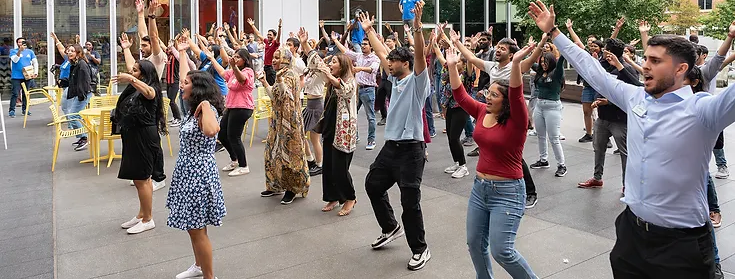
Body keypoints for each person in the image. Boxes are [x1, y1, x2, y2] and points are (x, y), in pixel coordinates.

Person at [529, 1, 732, 277]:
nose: (644, 67)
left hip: (682, 245)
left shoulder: (704, 110)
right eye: (646, 59)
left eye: (655, 61)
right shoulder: (636, 97)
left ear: (681, 69)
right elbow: (593, 71)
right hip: (630, 236)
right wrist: (553, 31)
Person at [449, 37, 538, 278]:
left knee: (502, 251)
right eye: (488, 92)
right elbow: (460, 97)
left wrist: (518, 65)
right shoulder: (481, 111)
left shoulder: (516, 121)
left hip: (508, 191)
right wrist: (451, 66)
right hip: (480, 189)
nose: (488, 97)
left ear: (505, 101)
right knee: (475, 244)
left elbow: (518, 94)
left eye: (494, 95)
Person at [361, 3, 432, 270]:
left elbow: (421, 58)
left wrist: (416, 25)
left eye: (393, 61)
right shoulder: (395, 79)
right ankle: (391, 227)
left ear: (406, 63)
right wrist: (369, 32)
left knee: (409, 201)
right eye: (387, 61)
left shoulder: (417, 82)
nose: (387, 63)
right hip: (391, 148)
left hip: (412, 150)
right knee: (373, 185)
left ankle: (420, 249)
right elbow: (381, 51)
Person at [168, 38, 226, 279]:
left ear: (198, 88)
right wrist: (182, 54)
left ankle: (209, 276)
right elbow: (185, 76)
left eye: (187, 84)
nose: (182, 85)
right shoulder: (193, 107)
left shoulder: (206, 109)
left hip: (199, 174)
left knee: (197, 229)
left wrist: (204, 104)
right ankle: (199, 266)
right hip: (187, 171)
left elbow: (213, 132)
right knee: (193, 228)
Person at [112, 59, 167, 235]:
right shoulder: (135, 87)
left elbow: (150, 94)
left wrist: (131, 79)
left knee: (143, 178)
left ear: (143, 74)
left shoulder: (150, 88)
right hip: (133, 135)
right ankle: (141, 214)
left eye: (135, 71)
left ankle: (148, 219)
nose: (131, 72)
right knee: (138, 178)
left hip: (144, 136)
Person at [576, 39, 635, 190]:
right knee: (598, 147)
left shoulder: (626, 70)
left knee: (625, 153)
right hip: (602, 118)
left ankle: (627, 185)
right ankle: (597, 178)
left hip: (620, 120)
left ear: (611, 52)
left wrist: (608, 102)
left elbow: (630, 94)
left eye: (606, 50)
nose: (603, 52)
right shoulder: (603, 65)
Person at [257, 47, 310, 205]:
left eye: (277, 57)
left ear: (286, 59)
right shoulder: (281, 74)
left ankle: (292, 188)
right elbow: (275, 96)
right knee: (272, 152)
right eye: (273, 57)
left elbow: (287, 97)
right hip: (277, 120)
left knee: (290, 155)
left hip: (290, 122)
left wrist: (279, 81)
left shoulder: (291, 74)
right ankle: (275, 185)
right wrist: (265, 81)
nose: (273, 60)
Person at [311, 46, 359, 216]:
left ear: (343, 65)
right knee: (329, 166)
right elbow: (316, 64)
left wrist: (329, 75)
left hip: (344, 131)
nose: (330, 64)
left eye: (334, 62)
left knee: (340, 167)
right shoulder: (332, 79)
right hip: (330, 126)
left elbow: (345, 90)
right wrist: (305, 45)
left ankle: (350, 197)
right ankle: (333, 196)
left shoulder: (350, 81)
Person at [120, 32, 167, 191]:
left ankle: (158, 177)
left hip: (149, 125)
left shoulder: (157, 61)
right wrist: (126, 49)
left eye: (145, 45)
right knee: (140, 153)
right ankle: (143, 175)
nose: (142, 48)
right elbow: (131, 67)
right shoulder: (139, 73)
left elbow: (150, 93)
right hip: (137, 126)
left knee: (153, 150)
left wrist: (150, 17)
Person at [208, 48, 255, 177]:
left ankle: (243, 165)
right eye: (234, 56)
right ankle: (234, 159)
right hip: (232, 107)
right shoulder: (232, 72)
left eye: (238, 57)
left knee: (234, 137)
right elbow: (222, 72)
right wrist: (212, 59)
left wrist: (234, 67)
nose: (235, 58)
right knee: (222, 134)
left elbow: (242, 80)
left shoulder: (248, 71)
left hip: (242, 108)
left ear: (245, 59)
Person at [526, 34, 567, 177]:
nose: (543, 63)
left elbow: (561, 60)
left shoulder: (556, 73)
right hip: (540, 106)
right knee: (541, 136)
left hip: (553, 107)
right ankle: (543, 160)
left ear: (551, 61)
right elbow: (530, 61)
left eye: (545, 61)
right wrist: (531, 49)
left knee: (554, 138)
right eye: (542, 61)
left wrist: (561, 41)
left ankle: (562, 165)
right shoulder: (540, 71)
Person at [431, 32, 471, 179]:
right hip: (449, 107)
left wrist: (466, 45)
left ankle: (463, 166)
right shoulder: (449, 70)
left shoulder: (466, 75)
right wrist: (435, 41)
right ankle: (457, 162)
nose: (456, 62)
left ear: (464, 64)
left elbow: (470, 60)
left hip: (461, 108)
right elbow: (440, 55)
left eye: (459, 61)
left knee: (454, 137)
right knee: (450, 137)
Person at [332, 35, 380, 150]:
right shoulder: (359, 56)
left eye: (365, 44)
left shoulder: (375, 58)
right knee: (352, 113)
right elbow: (346, 52)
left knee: (371, 117)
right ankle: (355, 136)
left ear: (371, 46)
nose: (363, 46)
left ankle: (371, 140)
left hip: (368, 89)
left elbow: (373, 69)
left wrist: (360, 68)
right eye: (362, 44)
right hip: (357, 89)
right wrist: (335, 40)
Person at [298, 28, 327, 177]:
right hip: (309, 106)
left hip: (317, 106)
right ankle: (310, 159)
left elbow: (313, 56)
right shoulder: (310, 71)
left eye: (313, 60)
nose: (310, 61)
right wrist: (303, 43)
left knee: (314, 138)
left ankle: (320, 164)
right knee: (301, 134)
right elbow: (310, 56)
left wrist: (306, 45)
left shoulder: (323, 73)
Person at [66, 44, 94, 151]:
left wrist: (81, 95)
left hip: (83, 94)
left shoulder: (82, 64)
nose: (69, 53)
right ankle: (81, 137)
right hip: (79, 94)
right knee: (75, 116)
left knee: (73, 116)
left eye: (72, 51)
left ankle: (84, 137)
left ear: (78, 53)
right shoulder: (75, 64)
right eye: (69, 51)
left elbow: (85, 81)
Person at [9, 37, 38, 118]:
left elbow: (35, 62)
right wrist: (19, 51)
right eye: (19, 42)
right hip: (16, 76)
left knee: (26, 93)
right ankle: (12, 110)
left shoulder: (30, 52)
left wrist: (35, 72)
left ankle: (25, 109)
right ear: (17, 43)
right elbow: (15, 60)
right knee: (15, 93)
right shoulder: (13, 51)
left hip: (27, 76)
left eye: (22, 42)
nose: (21, 43)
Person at [249, 17, 282, 85]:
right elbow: (258, 34)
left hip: (272, 67)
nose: (268, 36)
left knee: (272, 84)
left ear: (274, 36)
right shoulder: (267, 42)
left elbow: (278, 36)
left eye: (270, 35)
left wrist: (279, 27)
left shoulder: (275, 43)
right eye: (268, 34)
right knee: (266, 84)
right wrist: (252, 25)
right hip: (266, 66)